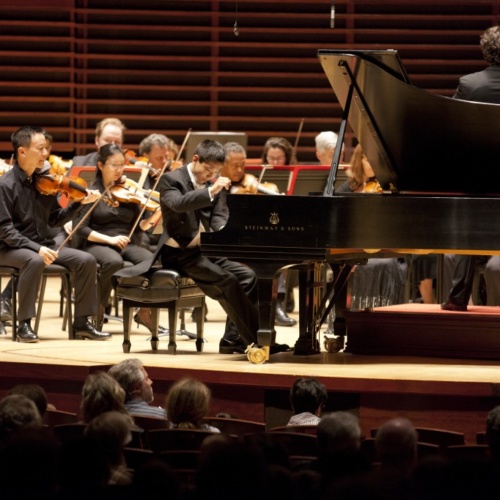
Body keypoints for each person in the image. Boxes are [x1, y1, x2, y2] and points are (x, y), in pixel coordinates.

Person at [116, 139, 290, 355]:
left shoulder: (212, 185)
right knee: (227, 281)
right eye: (208, 170)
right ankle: (260, 342)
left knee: (248, 276)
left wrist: (228, 231)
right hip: (178, 253)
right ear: (195, 159)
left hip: (204, 251)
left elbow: (217, 218)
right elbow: (179, 203)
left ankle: (232, 339)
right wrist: (210, 192)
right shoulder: (171, 180)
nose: (210, 176)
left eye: (215, 171)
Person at [0, 126, 111, 342]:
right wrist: (37, 248)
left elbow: (54, 219)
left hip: (42, 246)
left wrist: (78, 204)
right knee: (33, 261)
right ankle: (24, 325)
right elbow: (5, 230)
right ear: (22, 152)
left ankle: (81, 323)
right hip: (9, 249)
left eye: (46, 148)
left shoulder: (44, 182)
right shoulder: (5, 185)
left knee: (86, 260)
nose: (45, 154)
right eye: (40, 149)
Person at [74, 143, 166, 335]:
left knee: (152, 261)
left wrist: (158, 213)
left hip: (126, 241)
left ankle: (144, 311)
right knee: (113, 262)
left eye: (122, 164)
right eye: (114, 165)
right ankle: (97, 311)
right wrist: (110, 240)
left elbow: (139, 228)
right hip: (96, 242)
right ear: (101, 166)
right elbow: (80, 228)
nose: (119, 170)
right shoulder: (91, 193)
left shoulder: (128, 191)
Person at [442, 25, 500, 312]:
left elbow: (452, 129)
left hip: (477, 177)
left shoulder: (470, 84)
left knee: (466, 232)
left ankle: (457, 298)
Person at [221, 142, 294, 327]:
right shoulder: (214, 187)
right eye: (234, 166)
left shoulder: (251, 183)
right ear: (222, 165)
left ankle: (275, 305)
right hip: (222, 245)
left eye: (242, 165)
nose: (240, 170)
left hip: (245, 241)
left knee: (275, 251)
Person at [338, 144, 408, 310]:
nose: (373, 165)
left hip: (381, 247)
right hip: (352, 246)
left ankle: (381, 313)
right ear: (359, 161)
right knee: (343, 263)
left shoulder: (387, 188)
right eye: (368, 160)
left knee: (386, 264)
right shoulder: (348, 187)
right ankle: (344, 315)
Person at [260, 137, 298, 326]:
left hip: (291, 225)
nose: (274, 163)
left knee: (279, 244)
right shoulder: (258, 177)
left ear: (288, 158)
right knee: (273, 245)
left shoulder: (296, 175)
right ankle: (277, 303)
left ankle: (279, 302)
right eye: (270, 158)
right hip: (265, 227)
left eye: (279, 158)